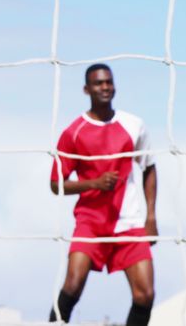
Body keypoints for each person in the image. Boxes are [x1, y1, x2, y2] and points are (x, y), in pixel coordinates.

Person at [47, 64, 158, 325]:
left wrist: (151, 216)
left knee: (145, 295)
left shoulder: (134, 125)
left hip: (129, 222)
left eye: (109, 82)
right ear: (87, 89)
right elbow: (55, 184)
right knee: (72, 286)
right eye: (98, 83)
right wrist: (93, 183)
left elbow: (150, 168)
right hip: (91, 223)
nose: (105, 87)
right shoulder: (73, 133)